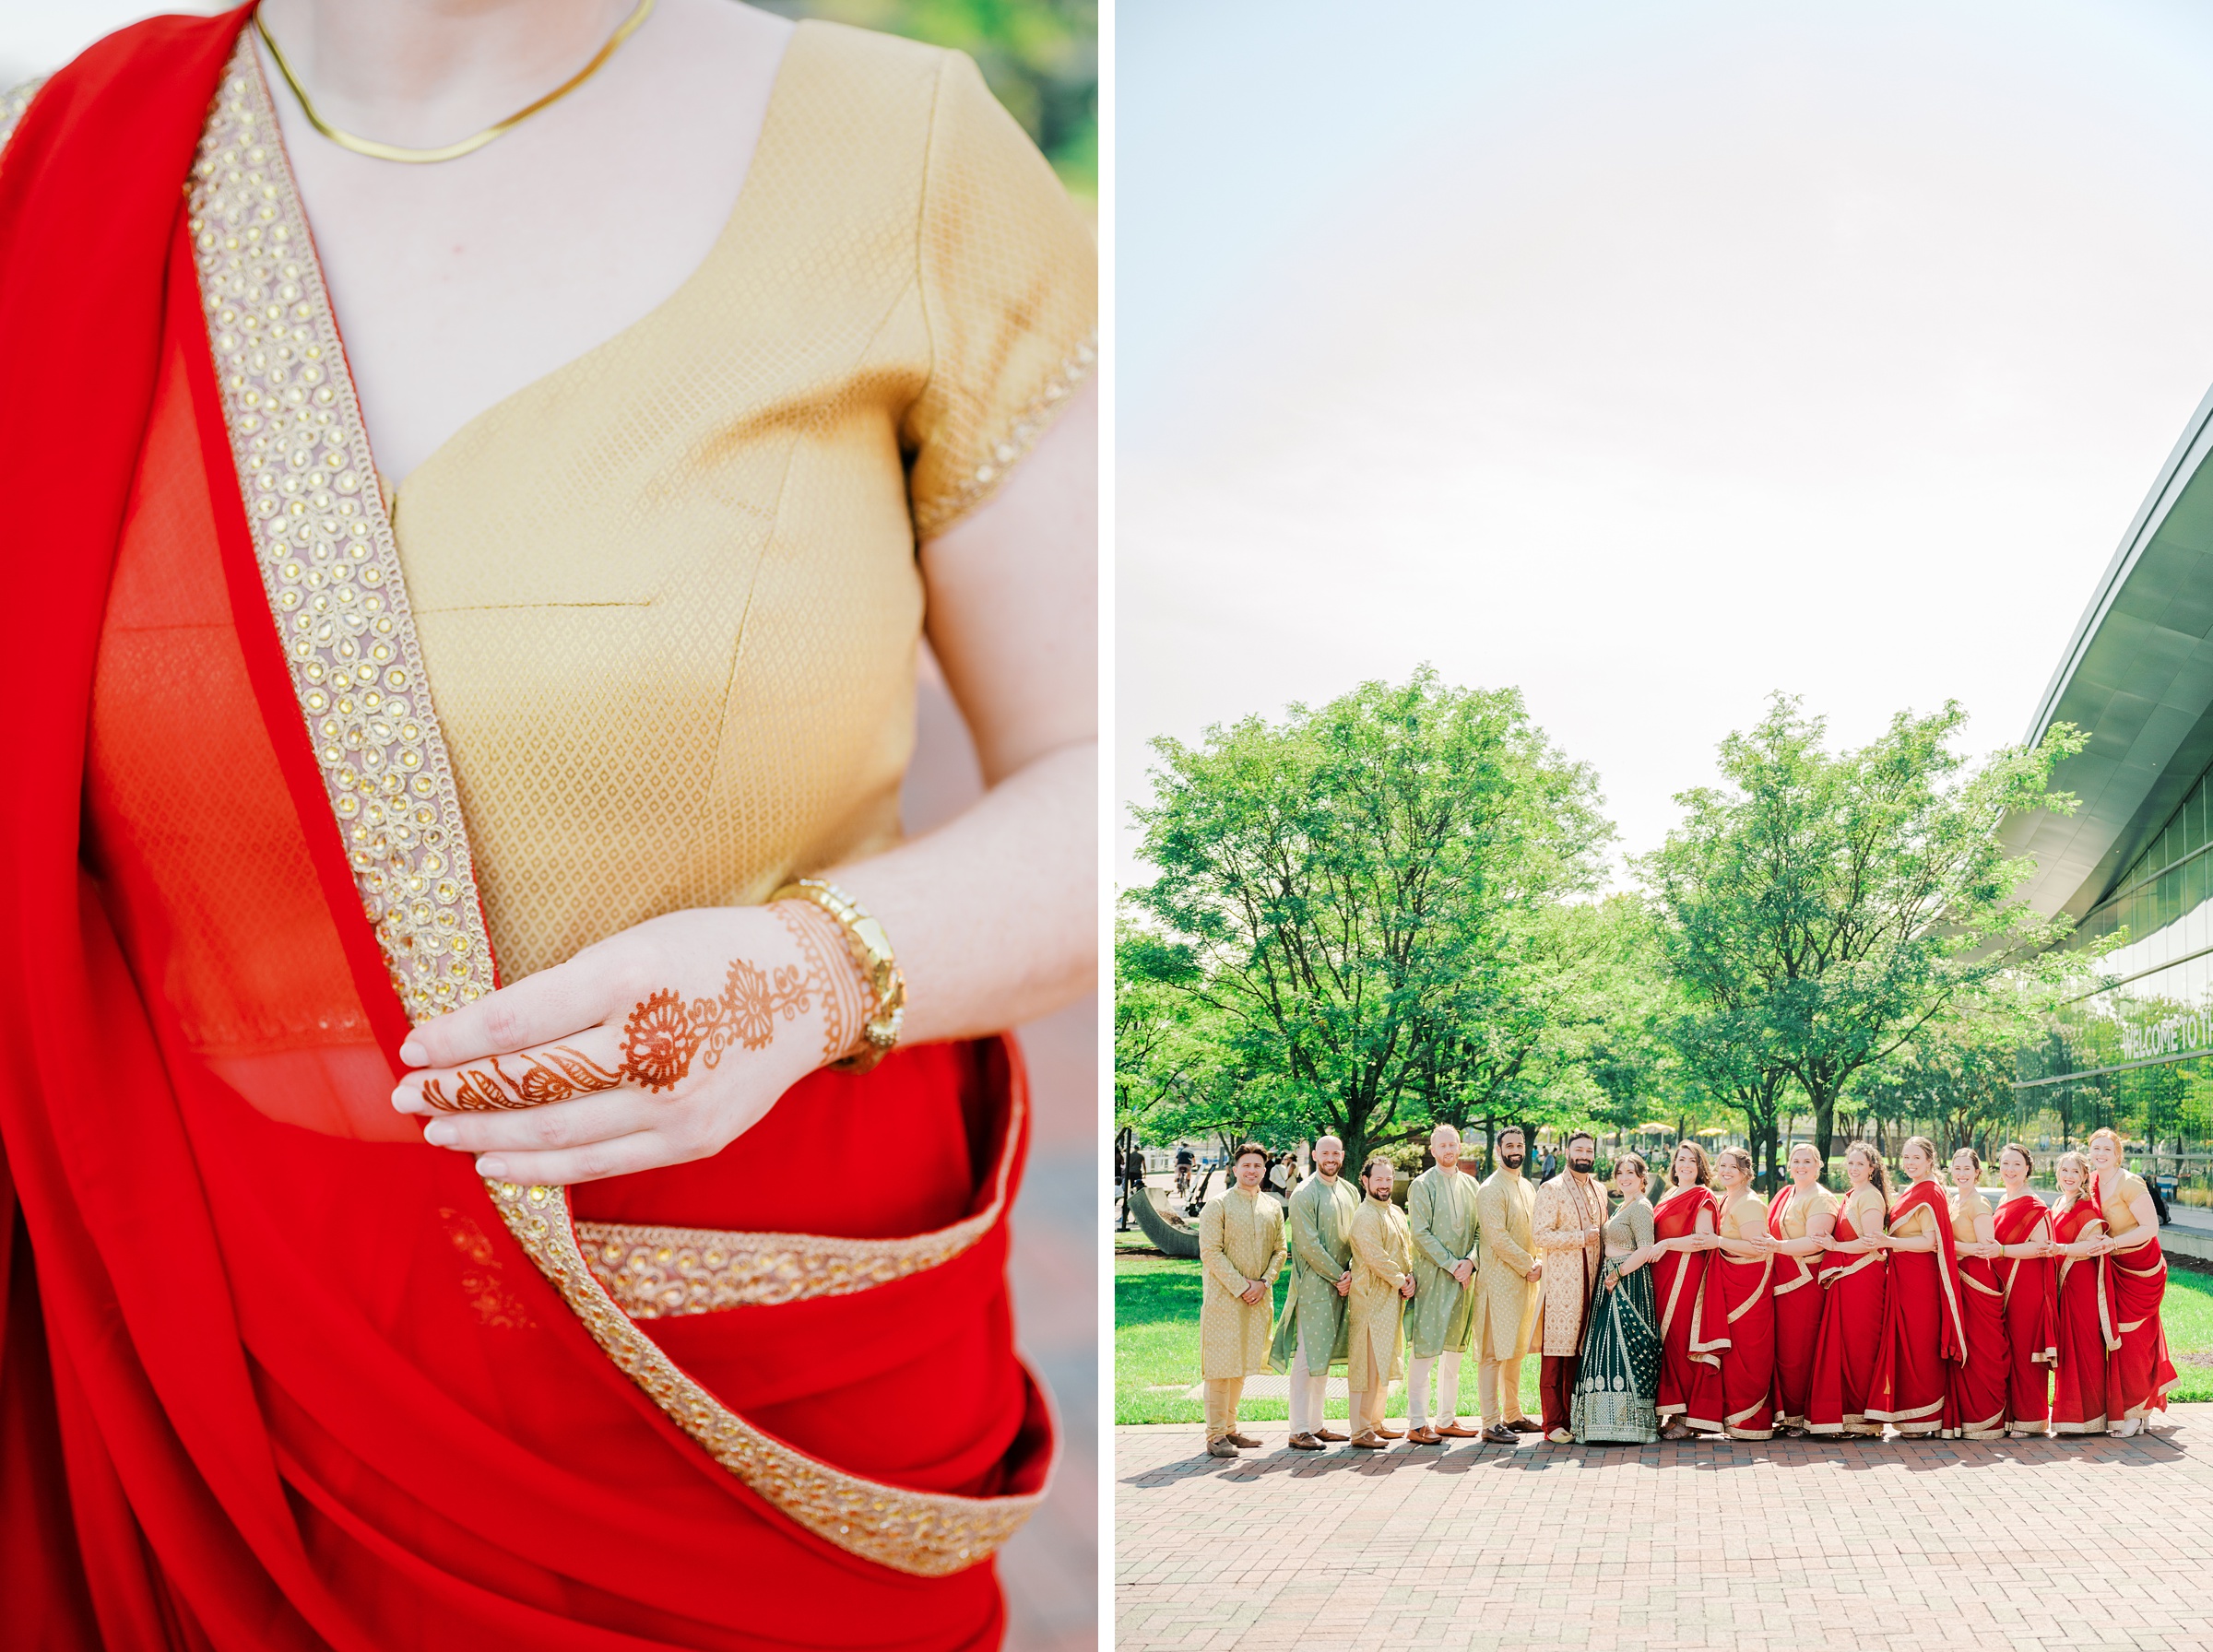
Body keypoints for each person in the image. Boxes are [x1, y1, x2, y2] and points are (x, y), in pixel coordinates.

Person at [0, 0, 1095, 1640]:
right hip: (184, 1354)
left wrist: (801, 977)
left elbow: (1111, 774)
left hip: (725, 1387)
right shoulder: (78, 164)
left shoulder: (902, 150)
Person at [1867, 1137, 1965, 1438]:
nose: (1910, 1163)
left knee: (1920, 1345)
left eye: (1916, 1158)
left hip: (1921, 1279)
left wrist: (1889, 1242)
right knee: (1906, 1343)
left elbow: (1930, 1241)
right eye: (1906, 1158)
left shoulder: (1930, 1191)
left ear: (1929, 1160)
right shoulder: (1911, 1188)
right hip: (1903, 1276)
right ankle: (1909, 1416)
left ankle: (1926, 1416)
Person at [1197, 1144, 1287, 1458]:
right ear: (1235, 1169)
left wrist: (1264, 1282)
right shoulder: (1218, 1205)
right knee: (1220, 1367)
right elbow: (1210, 1251)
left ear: (1265, 1170)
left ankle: (1230, 1429)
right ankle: (1214, 1435)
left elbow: (1280, 1250)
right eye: (1246, 1165)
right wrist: (1241, 1286)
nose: (1251, 1170)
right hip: (1225, 1300)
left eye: (1257, 1166)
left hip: (1258, 1299)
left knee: (1241, 1366)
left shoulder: (1272, 1206)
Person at [1272, 1134, 1361, 1451]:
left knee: (1323, 1356)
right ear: (1315, 1155)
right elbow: (1307, 1245)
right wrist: (1340, 1275)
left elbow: (1358, 1235)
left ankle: (1317, 1425)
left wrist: (1352, 1272)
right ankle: (1298, 1429)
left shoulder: (1350, 1190)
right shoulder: (1304, 1193)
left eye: (1336, 1152)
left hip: (1344, 1284)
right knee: (1308, 1357)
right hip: (1314, 1285)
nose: (1331, 1158)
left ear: (1342, 1154)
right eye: (1325, 1153)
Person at [2087, 1127, 2178, 1435]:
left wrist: (2112, 1244)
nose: (2100, 1154)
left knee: (2133, 1338)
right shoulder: (2093, 1180)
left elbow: (2151, 1227)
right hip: (2113, 1264)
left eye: (2106, 1150)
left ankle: (2136, 1412)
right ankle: (2136, 1408)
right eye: (2095, 1149)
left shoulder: (2129, 1182)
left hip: (2141, 1269)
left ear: (2118, 1154)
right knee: (2115, 1337)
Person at [1571, 1151, 1663, 1446]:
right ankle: (1603, 1422)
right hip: (1612, 1279)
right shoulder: (1624, 1205)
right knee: (1604, 1346)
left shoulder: (1641, 1206)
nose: (1624, 1178)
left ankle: (1631, 1424)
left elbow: (1646, 1248)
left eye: (1631, 1173)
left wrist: (1618, 1273)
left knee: (1626, 1345)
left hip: (1628, 1282)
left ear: (1641, 1178)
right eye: (1620, 1172)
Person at [1402, 1125, 1481, 1443]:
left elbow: (1480, 1232)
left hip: (1464, 1281)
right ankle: (1416, 1422)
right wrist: (1452, 1265)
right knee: (1425, 1352)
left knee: (1453, 1354)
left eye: (1453, 1145)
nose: (1448, 1151)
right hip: (1434, 1278)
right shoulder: (1422, 1185)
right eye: (1442, 1146)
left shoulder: (1472, 1185)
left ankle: (1446, 1419)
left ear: (1459, 1148)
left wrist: (1471, 1262)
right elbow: (1420, 1234)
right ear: (1432, 1151)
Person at [1806, 1141, 1890, 1437]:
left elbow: (1872, 1241)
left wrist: (1836, 1246)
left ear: (1872, 1169)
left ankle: (1864, 1421)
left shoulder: (1871, 1197)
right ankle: (1841, 1417)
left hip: (1863, 1280)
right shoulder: (1853, 1195)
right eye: (1850, 1164)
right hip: (1847, 1279)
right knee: (1843, 1348)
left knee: (1859, 1348)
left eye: (1860, 1164)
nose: (1854, 1169)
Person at [1532, 1128, 1608, 1442]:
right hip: (1562, 1287)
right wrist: (1580, 1238)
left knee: (1581, 1355)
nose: (1584, 1156)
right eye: (1579, 1150)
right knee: (1555, 1358)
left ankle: (1576, 1417)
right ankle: (1553, 1424)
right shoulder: (1551, 1189)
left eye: (1589, 1151)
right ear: (1567, 1153)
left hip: (1594, 1284)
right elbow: (1540, 1235)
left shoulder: (1600, 1190)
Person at [1471, 1124, 1544, 1443]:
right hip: (1497, 1283)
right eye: (1508, 1145)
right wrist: (1529, 1264)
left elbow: (1535, 1232)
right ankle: (1489, 1422)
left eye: (1519, 1145)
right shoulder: (1490, 1188)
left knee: (1515, 1352)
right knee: (1492, 1354)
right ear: (1497, 1151)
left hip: (1524, 1284)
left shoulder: (1526, 1186)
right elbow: (1496, 1238)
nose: (1514, 1150)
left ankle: (1513, 1415)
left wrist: (1537, 1262)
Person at [1651, 1140, 1722, 1438]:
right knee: (1664, 1345)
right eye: (1681, 1159)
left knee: (1681, 1341)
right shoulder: (1668, 1194)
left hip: (1685, 1273)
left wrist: (1666, 1245)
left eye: (1692, 1160)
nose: (1686, 1165)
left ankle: (1688, 1419)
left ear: (1700, 1165)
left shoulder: (1702, 1196)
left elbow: (1703, 1238)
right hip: (1660, 1273)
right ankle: (1670, 1410)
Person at [1345, 1155, 1416, 1449]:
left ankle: (1375, 1422)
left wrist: (1410, 1275)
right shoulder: (1364, 1215)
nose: (1385, 1184)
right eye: (1379, 1179)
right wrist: (1402, 1280)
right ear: (1365, 1181)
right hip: (1369, 1299)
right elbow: (1376, 1258)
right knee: (1366, 1365)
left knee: (1383, 1362)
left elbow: (1406, 1248)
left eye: (1389, 1179)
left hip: (1392, 1299)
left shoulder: (1396, 1212)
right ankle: (1360, 1430)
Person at [1766, 1142, 1837, 1436]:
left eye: (1808, 1161)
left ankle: (1805, 1415)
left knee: (1801, 1350)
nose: (1801, 1166)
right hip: (1779, 1281)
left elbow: (1816, 1241)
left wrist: (1777, 1246)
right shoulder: (1785, 1193)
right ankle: (1785, 1414)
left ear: (1819, 1165)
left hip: (1805, 1283)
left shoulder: (1823, 1199)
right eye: (1796, 1160)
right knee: (1782, 1350)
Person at [1703, 1146, 1774, 1440]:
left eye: (1732, 1166)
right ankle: (1731, 1417)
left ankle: (1751, 1420)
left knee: (1746, 1352)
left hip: (1748, 1288)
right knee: (1731, 1354)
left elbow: (1759, 1248)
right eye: (1721, 1165)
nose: (1725, 1171)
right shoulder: (1726, 1198)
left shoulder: (1749, 1203)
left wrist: (1717, 1240)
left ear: (1746, 1171)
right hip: (1727, 1284)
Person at [1944, 1147, 2009, 1441]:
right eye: (1956, 1169)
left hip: (1977, 1279)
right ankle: (1964, 1417)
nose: (1961, 1174)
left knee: (1982, 1348)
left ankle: (1987, 1419)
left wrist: (1948, 1248)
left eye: (1966, 1169)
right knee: (1962, 1346)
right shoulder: (1953, 1200)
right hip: (1957, 1279)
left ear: (1977, 1173)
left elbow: (1987, 1246)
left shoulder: (1979, 1203)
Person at [1992, 1142, 2056, 1439]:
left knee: (2025, 1348)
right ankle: (2010, 1415)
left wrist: (2002, 1250)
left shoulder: (2034, 1204)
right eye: (2005, 1163)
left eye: (2016, 1164)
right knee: (2007, 1348)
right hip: (2003, 1281)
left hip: (2026, 1283)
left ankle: (2032, 1417)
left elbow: (2041, 1247)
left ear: (2028, 1168)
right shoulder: (2005, 1199)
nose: (2010, 1169)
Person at [2048, 1150, 2112, 1435]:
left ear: (2085, 1176)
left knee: (2085, 1346)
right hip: (2062, 1283)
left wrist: (2060, 1250)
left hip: (2081, 1283)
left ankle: (2093, 1416)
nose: (2069, 1176)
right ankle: (2070, 1415)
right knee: (2067, 1348)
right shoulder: (2059, 1203)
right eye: (2065, 1171)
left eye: (2075, 1172)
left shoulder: (2088, 1206)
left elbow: (2092, 1246)